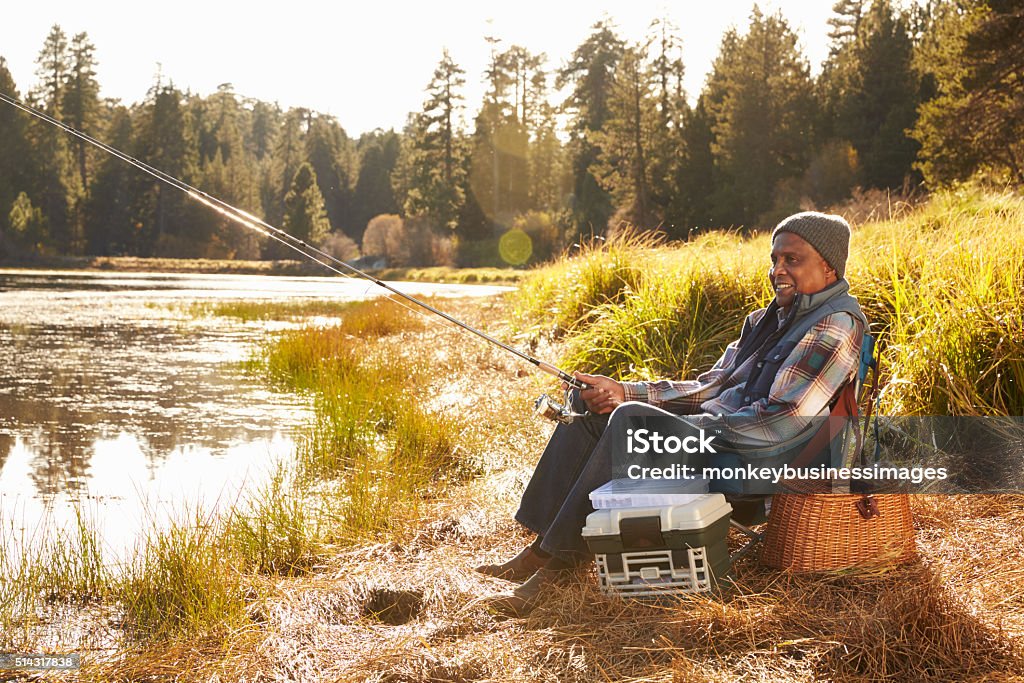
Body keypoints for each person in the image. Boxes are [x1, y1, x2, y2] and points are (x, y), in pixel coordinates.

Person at [477, 211, 868, 617]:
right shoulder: (765, 319)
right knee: (587, 404)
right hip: (721, 440)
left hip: (764, 462)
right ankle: (541, 549)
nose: (777, 270)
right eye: (774, 259)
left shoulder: (834, 325)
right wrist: (622, 391)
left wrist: (684, 429)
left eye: (792, 260)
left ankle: (556, 571)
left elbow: (780, 422)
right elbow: (709, 386)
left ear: (829, 265)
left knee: (632, 423)